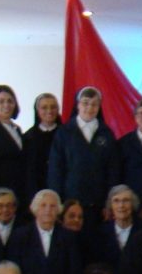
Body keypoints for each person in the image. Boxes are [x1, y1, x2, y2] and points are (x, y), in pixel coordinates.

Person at [48, 86, 119, 228]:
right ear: (78, 105)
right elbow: (56, 169)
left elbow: (113, 171)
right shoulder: (64, 133)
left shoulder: (106, 134)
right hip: (70, 203)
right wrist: (57, 202)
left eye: (94, 104)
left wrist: (109, 202)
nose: (89, 108)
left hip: (98, 205)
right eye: (85, 103)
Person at [92, 185, 142, 270]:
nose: (121, 205)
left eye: (126, 200)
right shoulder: (99, 233)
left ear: (133, 204)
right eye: (116, 201)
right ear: (110, 205)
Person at [24, 93, 63, 194]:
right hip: (35, 191)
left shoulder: (66, 135)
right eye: (44, 108)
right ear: (37, 111)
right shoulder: (28, 137)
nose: (49, 111)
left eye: (53, 107)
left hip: (61, 190)